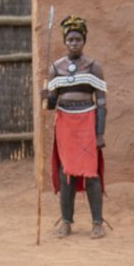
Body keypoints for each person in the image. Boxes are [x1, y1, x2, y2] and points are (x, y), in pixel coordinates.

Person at [41, 15, 108, 239]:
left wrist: (99, 133)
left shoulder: (93, 67)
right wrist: (46, 96)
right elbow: (51, 104)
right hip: (66, 125)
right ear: (64, 41)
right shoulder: (56, 68)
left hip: (87, 123)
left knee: (91, 173)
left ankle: (97, 222)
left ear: (84, 40)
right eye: (70, 39)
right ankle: (67, 222)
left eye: (77, 39)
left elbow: (101, 102)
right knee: (65, 173)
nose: (73, 43)